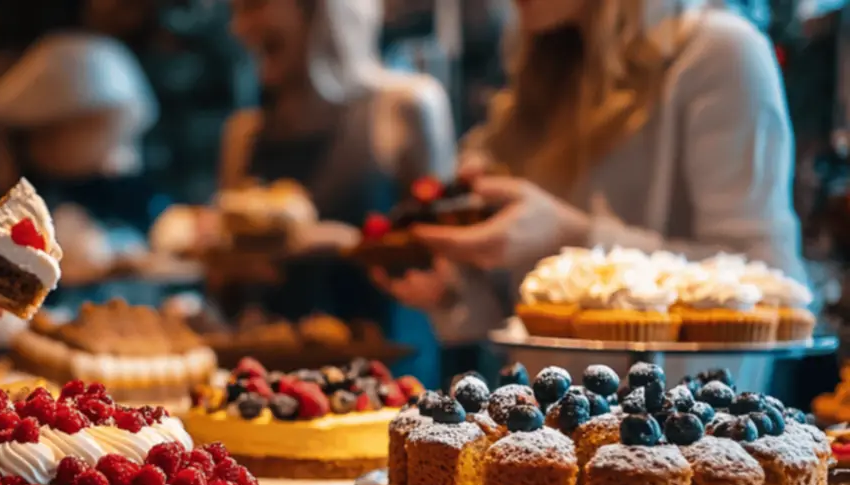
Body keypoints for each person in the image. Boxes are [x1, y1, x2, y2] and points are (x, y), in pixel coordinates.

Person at [377, 0, 805, 343]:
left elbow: (774, 286)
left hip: (681, 434)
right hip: (547, 426)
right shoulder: (552, 63)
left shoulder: (720, 53)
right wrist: (452, 289)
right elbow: (529, 326)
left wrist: (572, 236)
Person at [220, 0, 455, 386]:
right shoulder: (243, 134)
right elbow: (229, 293)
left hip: (388, 383)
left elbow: (449, 263)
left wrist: (349, 244)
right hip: (269, 388)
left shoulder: (403, 107)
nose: (238, 27)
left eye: (254, 5)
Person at [0, 31, 192, 310]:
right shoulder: (32, 209)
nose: (117, 149)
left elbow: (167, 228)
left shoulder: (128, 193)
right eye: (98, 130)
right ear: (46, 134)